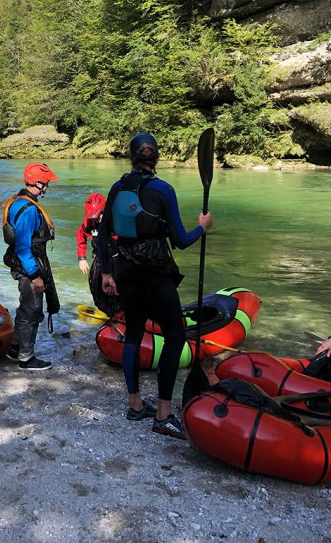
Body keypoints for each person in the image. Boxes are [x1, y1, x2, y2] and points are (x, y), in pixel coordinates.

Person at [98, 133, 213, 439]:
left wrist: (106, 272)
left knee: (134, 333)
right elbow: (180, 241)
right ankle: (163, 413)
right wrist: (201, 228)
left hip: (125, 271)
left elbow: (103, 235)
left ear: (131, 158)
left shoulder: (116, 187)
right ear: (157, 158)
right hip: (155, 272)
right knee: (175, 336)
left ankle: (135, 404)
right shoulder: (163, 189)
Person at [2, 162, 60, 371]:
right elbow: (24, 247)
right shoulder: (28, 210)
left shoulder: (19, 201)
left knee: (25, 306)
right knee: (32, 310)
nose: (47, 187)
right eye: (46, 183)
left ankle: (15, 348)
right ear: (37, 183)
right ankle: (26, 359)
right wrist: (35, 276)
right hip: (29, 266)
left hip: (25, 263)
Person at [76, 192, 120, 316]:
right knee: (97, 288)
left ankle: (120, 314)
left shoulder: (116, 220)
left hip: (117, 259)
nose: (97, 219)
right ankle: (106, 312)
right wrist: (82, 258)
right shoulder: (89, 223)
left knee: (118, 290)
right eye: (94, 217)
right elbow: (80, 236)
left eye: (99, 215)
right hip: (100, 260)